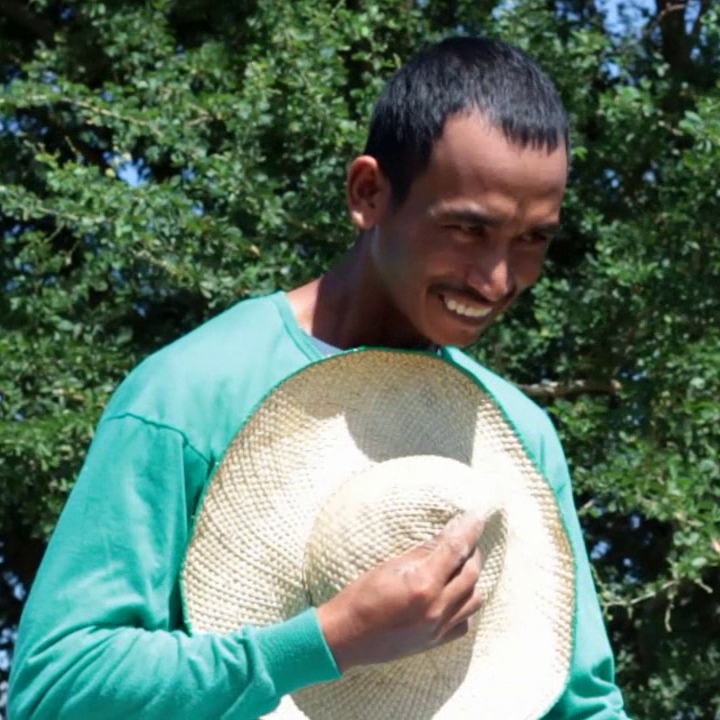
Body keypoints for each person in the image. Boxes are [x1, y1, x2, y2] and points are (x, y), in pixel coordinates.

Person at [8, 36, 627, 718]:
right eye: (466, 230)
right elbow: (54, 690)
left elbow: (580, 703)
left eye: (533, 239)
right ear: (368, 193)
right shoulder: (191, 394)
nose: (498, 279)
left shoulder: (520, 433)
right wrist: (327, 640)